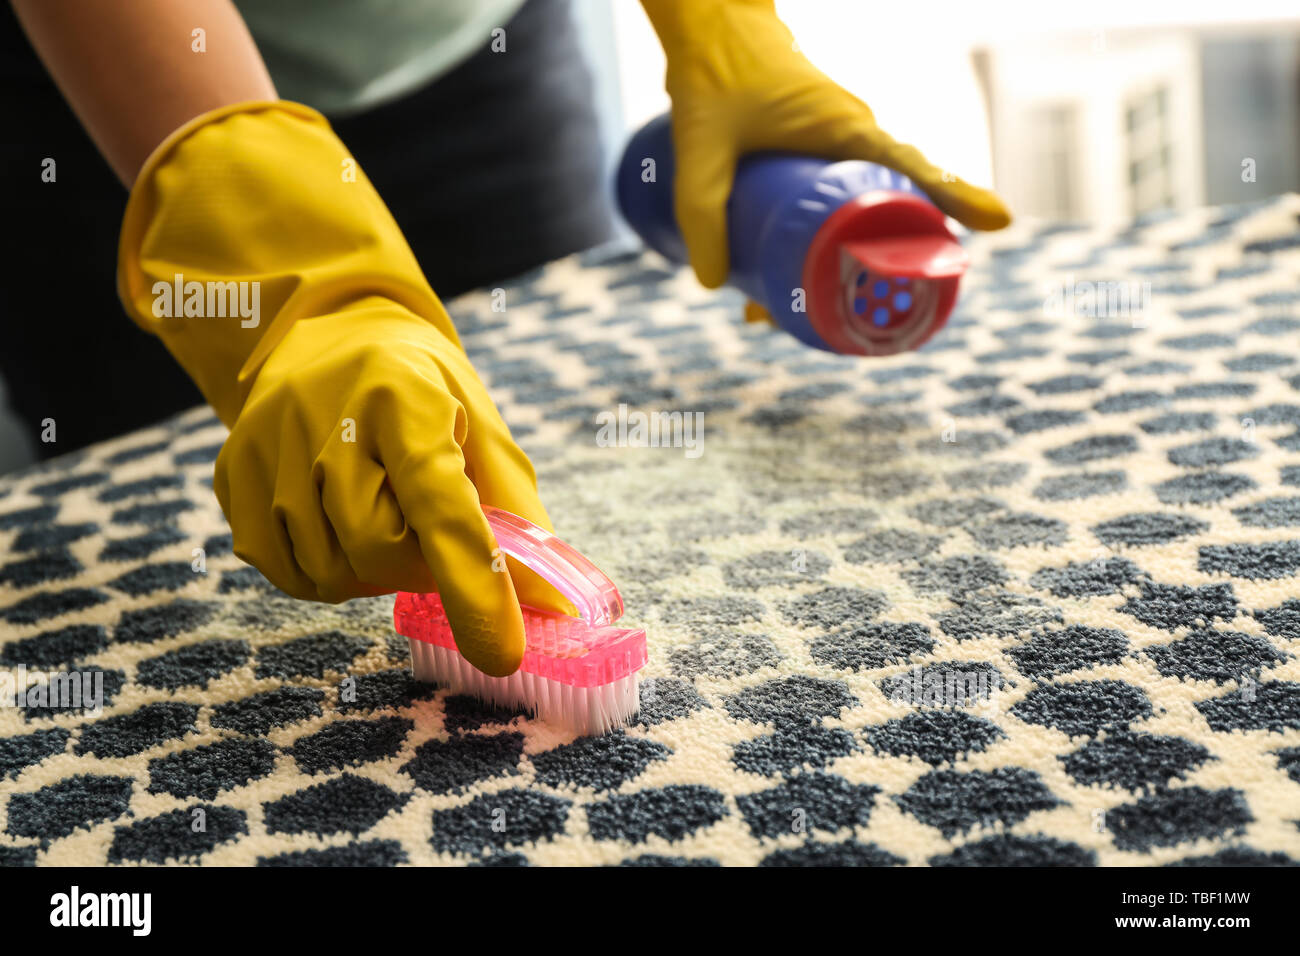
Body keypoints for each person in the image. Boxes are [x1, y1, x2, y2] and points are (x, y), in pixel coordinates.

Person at [4, 0, 1010, 677]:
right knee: (148, 581)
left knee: (493, 460)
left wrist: (722, 25)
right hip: (116, 93)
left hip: (473, 51)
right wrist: (285, 279)